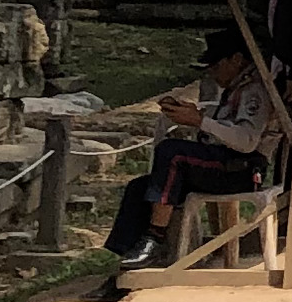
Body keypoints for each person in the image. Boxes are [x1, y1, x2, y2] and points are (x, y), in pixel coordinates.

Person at [104, 37, 279, 263]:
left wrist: (200, 121)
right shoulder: (236, 87)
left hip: (242, 169)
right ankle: (124, 258)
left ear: (236, 59)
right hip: (221, 160)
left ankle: (154, 237)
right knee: (139, 186)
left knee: (172, 153)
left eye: (217, 66)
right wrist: (193, 115)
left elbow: (246, 141)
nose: (213, 73)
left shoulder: (255, 91)